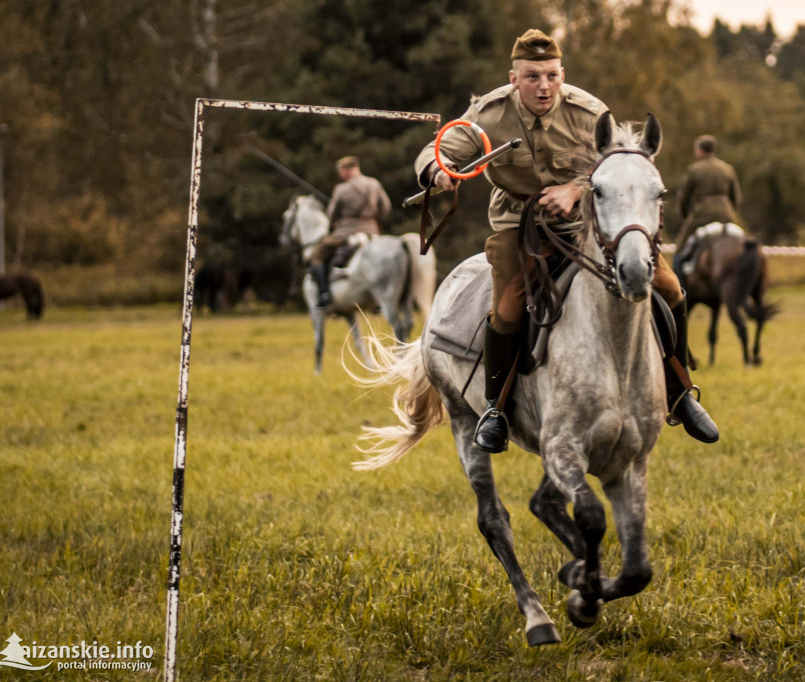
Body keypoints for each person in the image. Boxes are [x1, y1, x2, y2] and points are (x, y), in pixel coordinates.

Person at [414, 29, 718, 452]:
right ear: (514, 77)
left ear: (562, 75)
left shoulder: (590, 112)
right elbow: (437, 149)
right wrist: (438, 171)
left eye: (552, 75)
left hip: (585, 223)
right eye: (532, 76)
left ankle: (681, 391)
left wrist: (575, 190)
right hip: (517, 225)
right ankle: (496, 410)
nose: (544, 86)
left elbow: (616, 164)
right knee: (507, 304)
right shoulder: (487, 113)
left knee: (668, 286)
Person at [309, 156, 392, 307]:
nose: (340, 174)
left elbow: (331, 214)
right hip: (372, 232)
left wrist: (337, 223)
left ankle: (324, 293)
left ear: (347, 171)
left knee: (317, 255)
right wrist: (373, 221)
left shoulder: (341, 189)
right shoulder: (374, 184)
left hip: (346, 233)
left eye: (341, 170)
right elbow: (385, 207)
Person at [673, 135, 742, 290]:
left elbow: (683, 199)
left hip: (702, 215)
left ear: (700, 150)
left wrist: (685, 219)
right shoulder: (727, 168)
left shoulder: (694, 170)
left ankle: (679, 289)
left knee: (679, 251)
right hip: (727, 215)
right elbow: (736, 198)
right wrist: (731, 214)